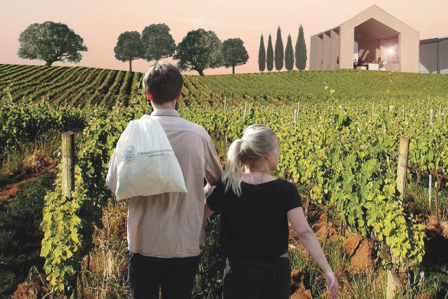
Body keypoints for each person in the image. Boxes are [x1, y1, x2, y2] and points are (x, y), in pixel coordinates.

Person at [106, 61, 223, 299]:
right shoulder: (197, 135)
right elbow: (220, 184)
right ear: (180, 94)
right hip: (184, 244)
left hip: (143, 243)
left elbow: (114, 183)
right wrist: (199, 210)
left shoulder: (134, 133)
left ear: (148, 94)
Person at [205, 124, 339, 299]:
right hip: (275, 275)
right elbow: (304, 232)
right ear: (267, 155)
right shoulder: (285, 190)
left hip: (238, 274)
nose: (279, 154)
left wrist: (207, 189)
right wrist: (327, 270)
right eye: (278, 149)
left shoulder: (228, 185)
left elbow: (198, 215)